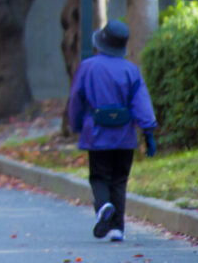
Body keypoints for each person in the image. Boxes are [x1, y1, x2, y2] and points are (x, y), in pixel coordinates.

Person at [68, 19, 157, 242]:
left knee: (99, 176)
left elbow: (76, 100)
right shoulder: (131, 71)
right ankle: (118, 228)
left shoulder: (88, 67)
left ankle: (103, 207)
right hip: (125, 136)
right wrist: (148, 131)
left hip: (97, 134)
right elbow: (141, 103)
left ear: (101, 43)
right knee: (119, 179)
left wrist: (77, 124)